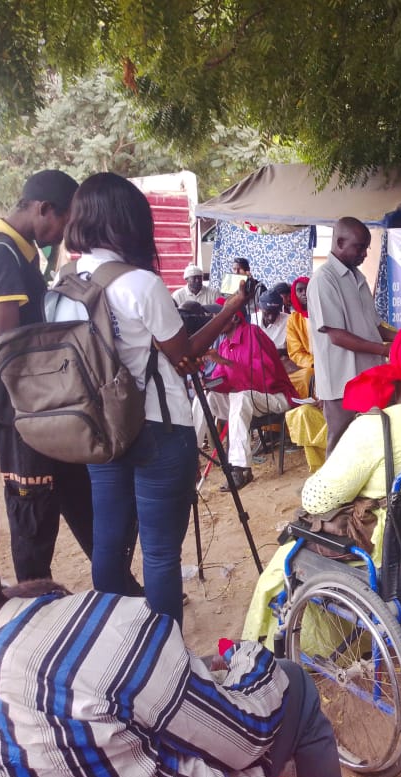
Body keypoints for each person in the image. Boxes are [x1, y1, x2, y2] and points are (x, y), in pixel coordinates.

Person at [0, 465, 341, 777]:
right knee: (294, 682)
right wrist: (248, 657)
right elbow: (244, 737)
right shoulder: (107, 631)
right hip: (155, 453)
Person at [63, 172, 252, 624]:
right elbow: (183, 352)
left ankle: (114, 642)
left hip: (100, 429)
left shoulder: (65, 284)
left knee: (108, 543)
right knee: (161, 551)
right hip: (159, 427)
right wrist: (228, 311)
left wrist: (172, 351)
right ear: (128, 221)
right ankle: (165, 651)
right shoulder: (140, 284)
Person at [242, 326, 401, 645]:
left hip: (397, 553)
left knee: (289, 551)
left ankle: (268, 648)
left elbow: (316, 499)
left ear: (394, 362)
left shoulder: (375, 428)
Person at [0, 169, 94, 582]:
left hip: (39, 404)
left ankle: (115, 580)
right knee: (32, 511)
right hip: (17, 408)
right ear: (44, 209)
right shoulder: (0, 254)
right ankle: (32, 598)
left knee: (78, 492)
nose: (63, 234)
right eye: (64, 223)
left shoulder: (20, 253)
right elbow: (5, 345)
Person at [307, 217, 393, 453]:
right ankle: (331, 490)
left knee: (370, 443)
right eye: (360, 247)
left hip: (367, 376)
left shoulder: (358, 278)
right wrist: (385, 349)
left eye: (366, 248)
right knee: (341, 446)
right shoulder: (323, 280)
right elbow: (337, 336)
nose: (365, 254)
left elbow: (375, 326)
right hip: (341, 382)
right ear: (340, 242)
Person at [193, 306, 298, 491]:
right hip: (247, 401)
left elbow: (265, 377)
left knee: (241, 397)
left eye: (218, 317)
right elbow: (224, 383)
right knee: (206, 397)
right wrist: (205, 382)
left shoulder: (253, 333)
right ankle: (191, 459)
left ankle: (240, 469)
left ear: (234, 318)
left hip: (274, 397)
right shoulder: (224, 345)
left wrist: (225, 362)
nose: (214, 322)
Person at [284, 275, 315, 399]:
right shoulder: (294, 320)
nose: (304, 294)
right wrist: (314, 363)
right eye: (300, 290)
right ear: (294, 294)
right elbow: (295, 352)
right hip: (309, 365)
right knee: (305, 376)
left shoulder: (325, 314)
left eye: (307, 289)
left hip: (331, 361)